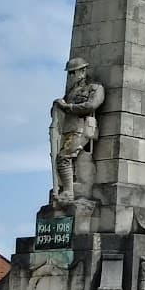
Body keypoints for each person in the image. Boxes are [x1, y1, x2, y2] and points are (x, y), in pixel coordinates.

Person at [50, 57, 104, 203]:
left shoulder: (94, 88)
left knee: (63, 158)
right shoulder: (71, 91)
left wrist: (69, 107)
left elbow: (91, 105)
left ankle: (68, 192)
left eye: (73, 73)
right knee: (64, 159)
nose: (71, 76)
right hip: (68, 129)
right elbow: (60, 110)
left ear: (83, 71)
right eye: (69, 73)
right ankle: (68, 189)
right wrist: (57, 105)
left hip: (82, 128)